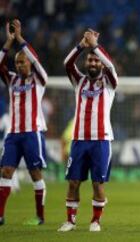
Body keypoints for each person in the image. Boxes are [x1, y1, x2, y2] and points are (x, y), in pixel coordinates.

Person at [58, 29, 118, 232]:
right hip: (79, 140)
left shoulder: (109, 83)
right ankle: (70, 221)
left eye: (96, 61)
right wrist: (82, 46)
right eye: (90, 61)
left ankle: (95, 221)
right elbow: (67, 64)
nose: (93, 63)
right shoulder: (79, 81)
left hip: (101, 140)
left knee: (97, 184)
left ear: (100, 63)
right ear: (86, 63)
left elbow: (110, 65)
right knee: (73, 182)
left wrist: (95, 46)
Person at [0, 19, 48, 226]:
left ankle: (40, 216)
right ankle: (0, 215)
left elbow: (36, 60)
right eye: (17, 62)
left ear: (28, 63)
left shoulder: (39, 79)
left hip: (32, 133)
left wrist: (19, 38)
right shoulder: (11, 79)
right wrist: (8, 42)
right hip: (13, 134)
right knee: (5, 172)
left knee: (34, 173)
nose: (19, 65)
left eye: (23, 62)